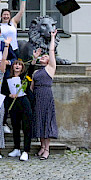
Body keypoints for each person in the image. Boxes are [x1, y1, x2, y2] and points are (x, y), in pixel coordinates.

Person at [33, 29, 58, 160]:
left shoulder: (50, 68)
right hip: (37, 96)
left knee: (47, 121)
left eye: (45, 57)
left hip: (46, 95)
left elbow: (51, 51)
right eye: (42, 56)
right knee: (40, 121)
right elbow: (31, 86)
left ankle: (47, 148)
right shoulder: (36, 72)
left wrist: (53, 37)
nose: (43, 57)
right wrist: (34, 58)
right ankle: (42, 146)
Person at [4, 58, 33, 161]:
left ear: (22, 67)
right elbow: (4, 91)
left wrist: (34, 59)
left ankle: (26, 150)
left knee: (26, 127)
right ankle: (17, 148)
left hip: (24, 102)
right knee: (15, 126)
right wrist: (9, 95)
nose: (17, 66)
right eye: (15, 64)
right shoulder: (8, 78)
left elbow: (31, 69)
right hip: (14, 103)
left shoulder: (24, 77)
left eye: (19, 65)